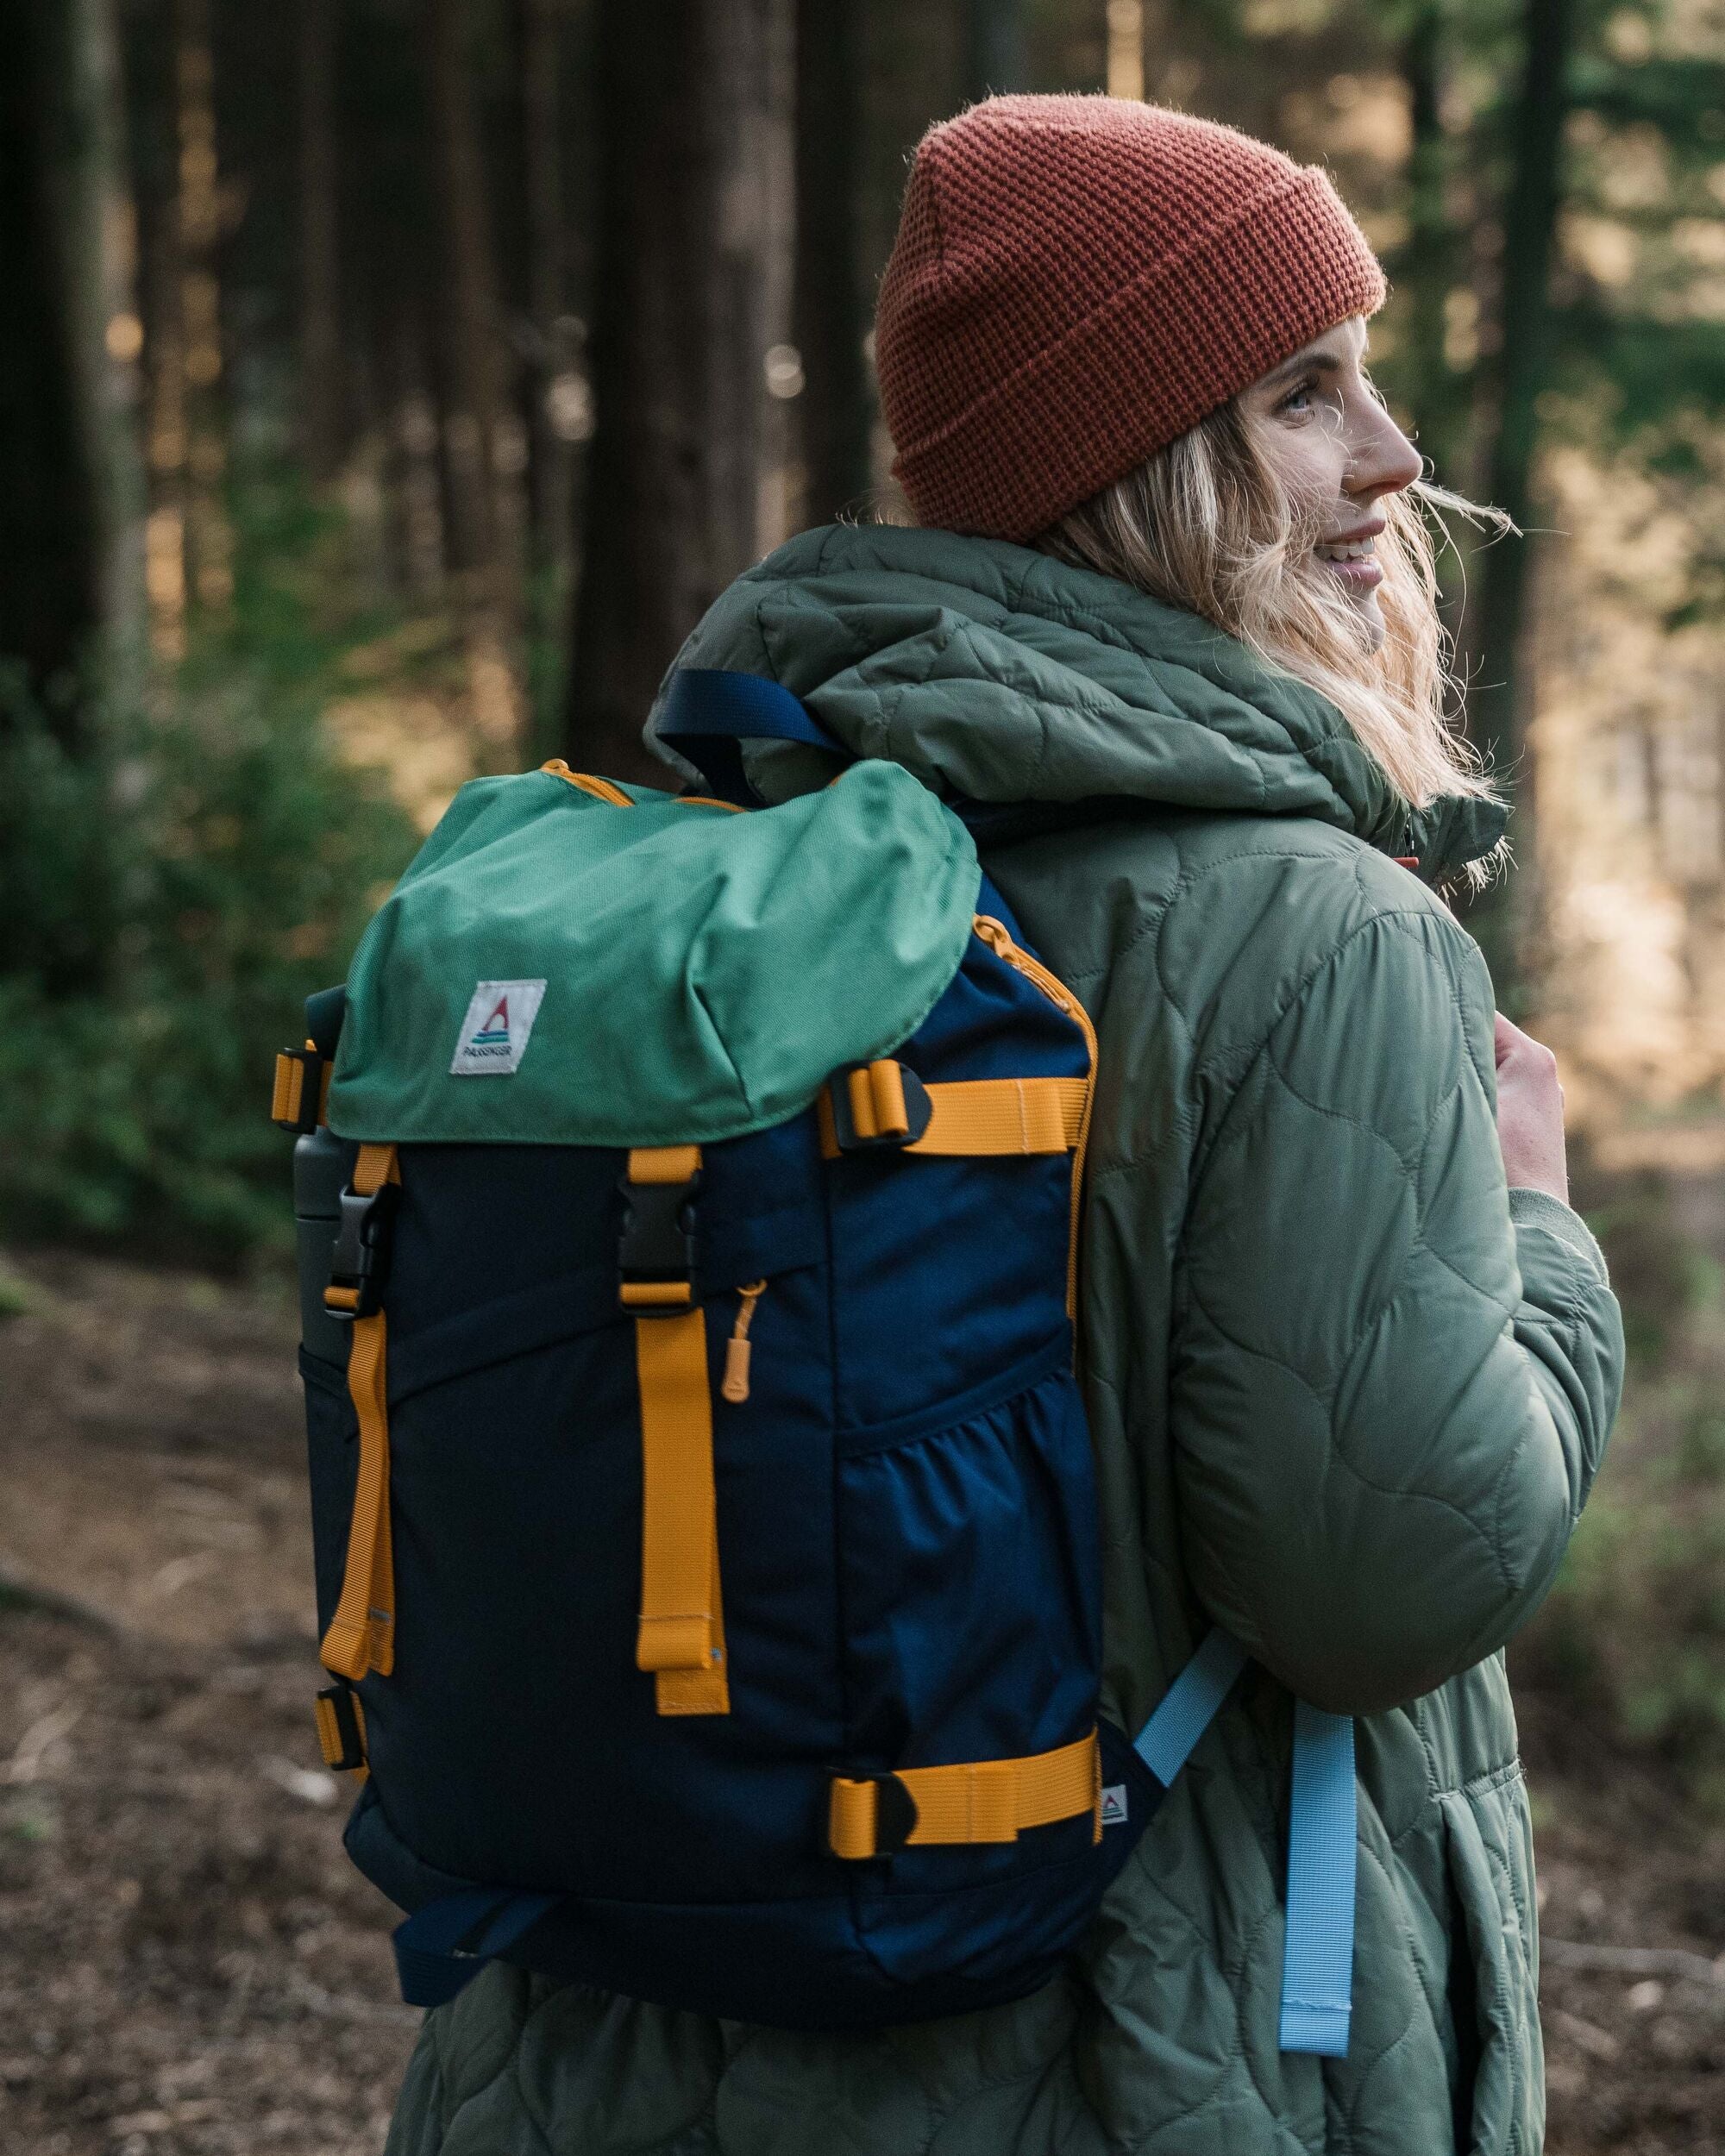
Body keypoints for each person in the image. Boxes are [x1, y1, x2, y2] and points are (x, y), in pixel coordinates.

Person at [385, 95, 1622, 2156]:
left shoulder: (737, 882)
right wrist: (1546, 1246)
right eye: (1305, 395)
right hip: (1122, 2043)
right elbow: (1389, 1573)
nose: (1394, 457)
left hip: (623, 2021)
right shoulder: (1320, 934)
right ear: (1143, 470)